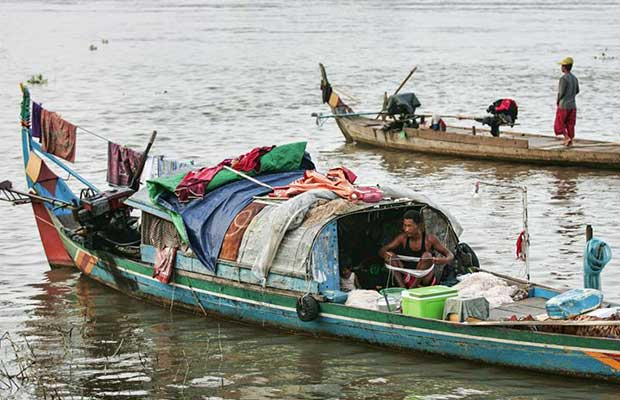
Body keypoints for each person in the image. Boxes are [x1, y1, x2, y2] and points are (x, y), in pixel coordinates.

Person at [378, 210, 454, 288]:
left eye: (409, 226)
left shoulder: (429, 239)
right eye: (405, 225)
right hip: (408, 277)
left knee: (426, 255)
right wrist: (385, 255)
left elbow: (450, 255)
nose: (406, 229)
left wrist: (442, 260)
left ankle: (412, 289)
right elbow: (382, 250)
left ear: (419, 226)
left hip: (424, 279)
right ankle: (402, 288)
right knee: (391, 256)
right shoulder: (402, 238)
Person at [554, 57, 580, 147]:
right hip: (572, 105)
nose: (561, 67)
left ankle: (566, 138)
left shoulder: (563, 79)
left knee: (559, 123)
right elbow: (577, 91)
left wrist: (557, 101)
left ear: (565, 67)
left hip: (564, 105)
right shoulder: (574, 78)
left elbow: (561, 92)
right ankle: (571, 140)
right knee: (570, 123)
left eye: (562, 66)